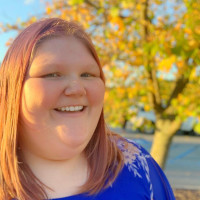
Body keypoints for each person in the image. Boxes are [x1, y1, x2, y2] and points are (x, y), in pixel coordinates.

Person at [0, 18, 175, 200]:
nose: (76, 88)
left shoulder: (137, 165)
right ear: (12, 88)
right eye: (52, 74)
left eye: (88, 74)